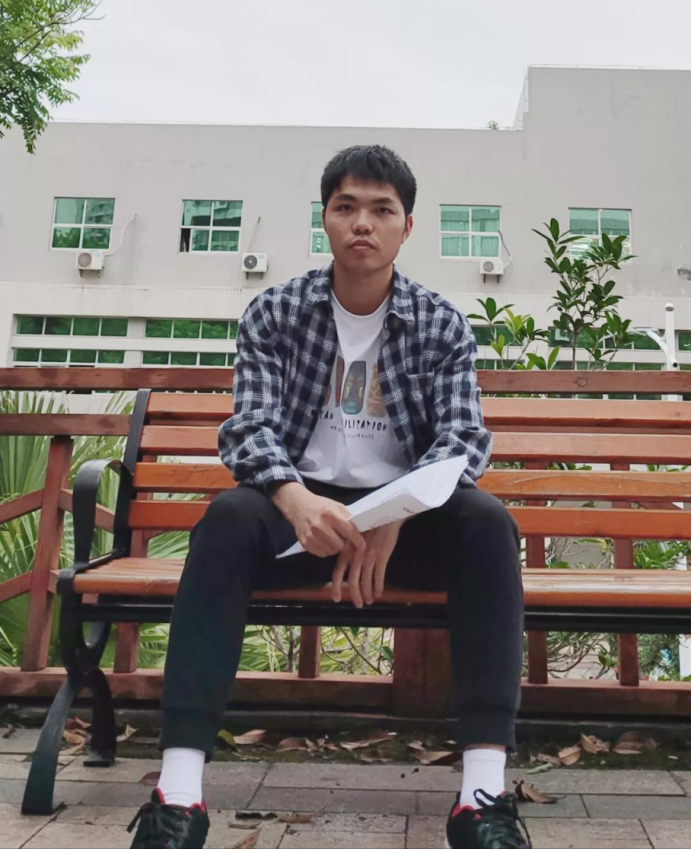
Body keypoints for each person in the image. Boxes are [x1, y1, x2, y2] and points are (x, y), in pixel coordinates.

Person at [128, 145, 530, 850]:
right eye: (346, 207)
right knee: (227, 517)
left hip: (403, 524)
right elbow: (249, 428)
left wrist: (396, 511)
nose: (362, 223)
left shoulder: (439, 322)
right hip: (300, 520)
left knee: (488, 523)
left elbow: (463, 439)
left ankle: (482, 798)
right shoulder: (277, 311)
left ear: (407, 226)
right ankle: (179, 795)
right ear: (326, 220)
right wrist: (295, 499)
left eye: (381, 209)